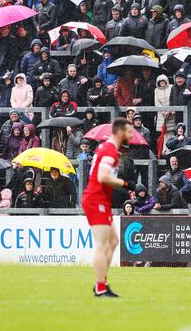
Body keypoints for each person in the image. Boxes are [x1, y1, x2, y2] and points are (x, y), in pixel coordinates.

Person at [81, 117, 133, 298]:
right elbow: (102, 177)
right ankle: (100, 287)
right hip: (96, 199)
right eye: (129, 132)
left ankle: (101, 283)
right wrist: (125, 183)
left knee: (113, 242)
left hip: (101, 199)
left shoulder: (106, 149)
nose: (131, 135)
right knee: (103, 245)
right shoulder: (110, 150)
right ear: (119, 132)